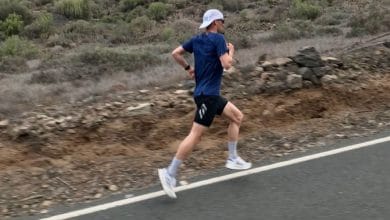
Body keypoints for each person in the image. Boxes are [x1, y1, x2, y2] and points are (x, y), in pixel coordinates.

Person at [158, 9, 252, 199]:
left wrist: (188, 69)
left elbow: (175, 53)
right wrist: (230, 50)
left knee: (237, 117)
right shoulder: (218, 39)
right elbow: (227, 65)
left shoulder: (196, 40)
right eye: (222, 21)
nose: (223, 24)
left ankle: (233, 158)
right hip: (207, 97)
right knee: (195, 136)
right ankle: (169, 173)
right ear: (215, 22)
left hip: (209, 95)